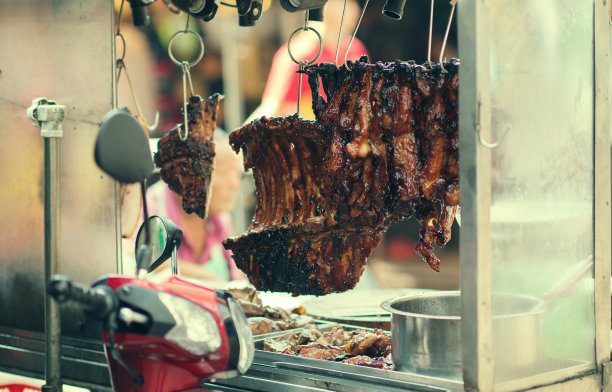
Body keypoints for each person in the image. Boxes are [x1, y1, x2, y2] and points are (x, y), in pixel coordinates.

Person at [141, 131, 245, 282]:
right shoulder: (151, 207)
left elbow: (237, 282)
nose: (235, 183)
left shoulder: (220, 219)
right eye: (223, 172)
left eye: (236, 173)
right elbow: (133, 262)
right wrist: (202, 275)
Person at [247, 0, 368, 121]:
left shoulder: (356, 50)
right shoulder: (299, 54)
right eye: (344, 2)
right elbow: (274, 107)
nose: (354, 8)